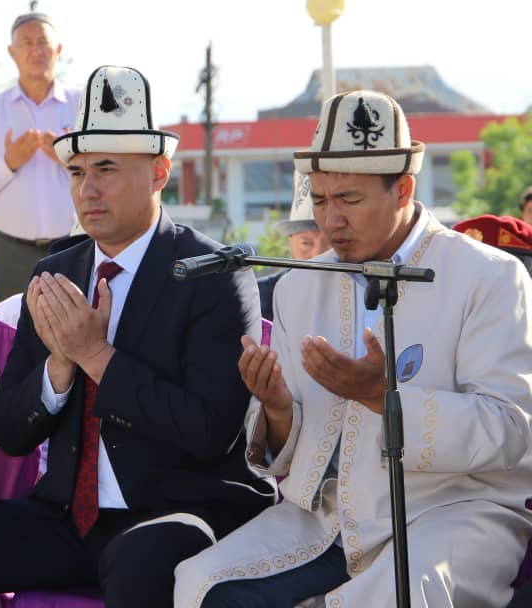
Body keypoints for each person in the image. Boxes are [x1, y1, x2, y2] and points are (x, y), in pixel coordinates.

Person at [0, 65, 273, 608]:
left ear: (159, 172)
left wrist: (96, 355)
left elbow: (208, 431)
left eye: (106, 169)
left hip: (180, 511)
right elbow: (8, 431)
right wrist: (58, 369)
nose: (87, 189)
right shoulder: (56, 272)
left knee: (136, 560)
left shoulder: (209, 273)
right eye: (75, 171)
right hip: (69, 517)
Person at [173, 90, 532, 608]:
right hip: (326, 518)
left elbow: (511, 430)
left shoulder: (490, 276)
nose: (330, 221)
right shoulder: (300, 286)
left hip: (455, 510)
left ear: (403, 189)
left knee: (402, 595)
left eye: (348, 199)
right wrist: (276, 408)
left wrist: (382, 396)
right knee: (200, 584)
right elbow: (292, 453)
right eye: (319, 200)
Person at [0, 11, 81, 304]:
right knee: (10, 331)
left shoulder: (83, 105)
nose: (36, 50)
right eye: (26, 43)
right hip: (10, 254)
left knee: (78, 329)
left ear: (58, 49)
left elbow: (107, 172)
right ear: (12, 52)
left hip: (74, 248)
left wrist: (68, 158)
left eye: (43, 42)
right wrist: (8, 164)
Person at [257, 170, 331, 320]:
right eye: (306, 243)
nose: (317, 254)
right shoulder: (260, 298)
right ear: (290, 242)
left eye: (330, 244)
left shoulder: (364, 294)